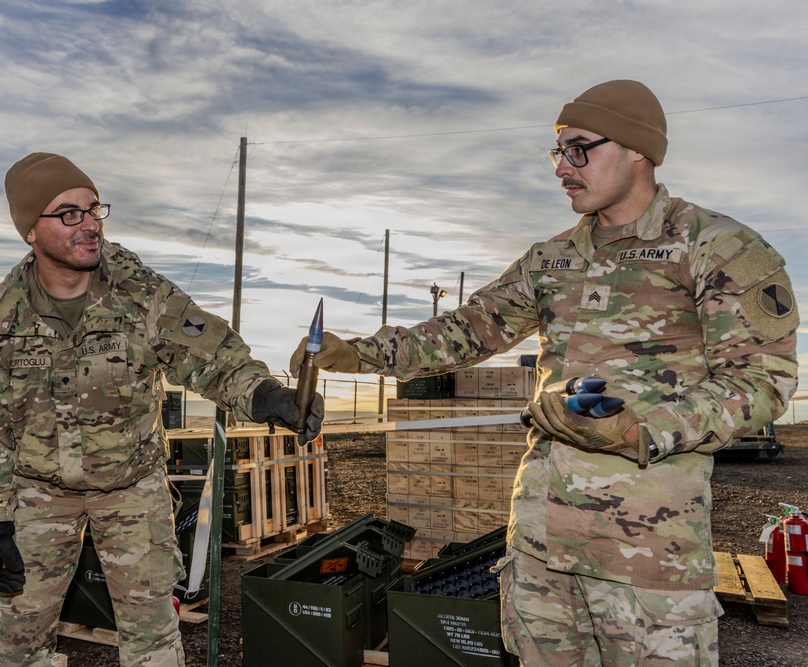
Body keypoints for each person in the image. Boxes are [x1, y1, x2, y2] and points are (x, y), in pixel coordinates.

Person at [290, 80, 798, 666]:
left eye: (579, 148)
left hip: (648, 557)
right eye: (557, 151)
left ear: (639, 150)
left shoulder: (716, 247)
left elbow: (761, 379)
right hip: (540, 548)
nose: (562, 167)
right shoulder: (551, 259)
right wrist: (358, 354)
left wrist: (645, 430)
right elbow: (464, 329)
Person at [0, 152, 323, 667]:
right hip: (39, 492)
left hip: (132, 488)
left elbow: (211, 355)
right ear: (31, 231)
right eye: (69, 213)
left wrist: (266, 395)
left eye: (94, 208)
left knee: (153, 638)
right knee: (20, 639)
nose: (90, 224)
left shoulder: (141, 294)